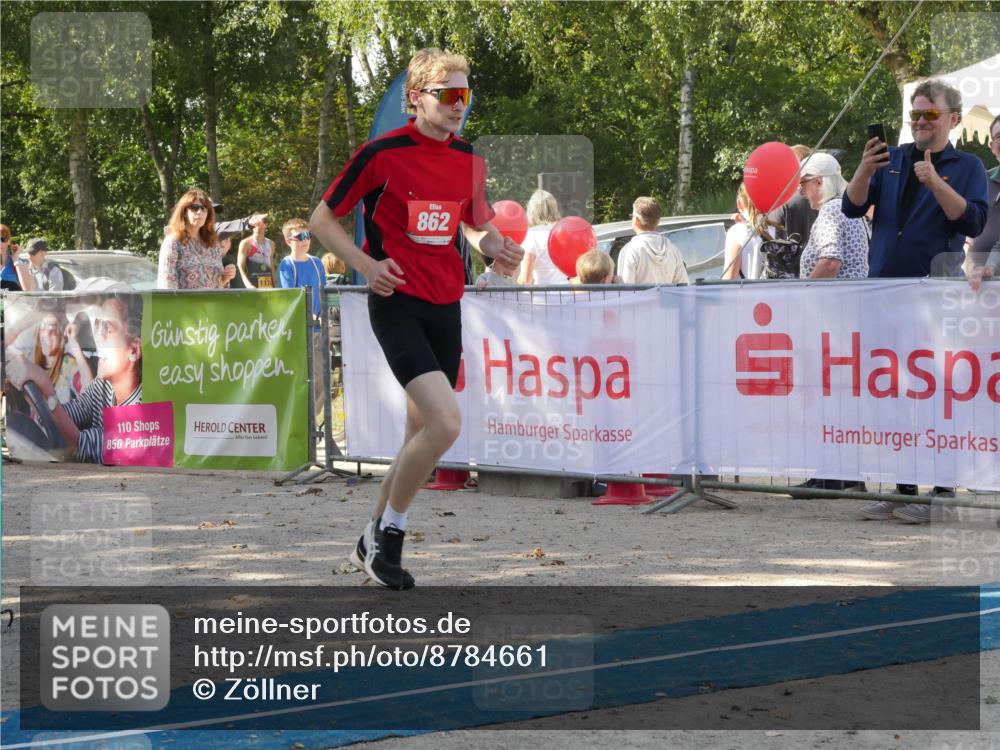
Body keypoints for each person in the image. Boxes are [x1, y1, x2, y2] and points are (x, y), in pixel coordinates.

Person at [310, 47, 524, 590]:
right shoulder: (381, 153)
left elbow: (474, 226)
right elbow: (322, 219)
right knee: (445, 425)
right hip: (397, 302)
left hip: (446, 305)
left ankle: (368, 539)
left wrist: (496, 246)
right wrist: (365, 264)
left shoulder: (469, 159)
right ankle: (393, 539)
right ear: (416, 98)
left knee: (417, 434)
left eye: (465, 94)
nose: (458, 105)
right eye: (447, 94)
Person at [843, 79, 989, 522]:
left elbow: (974, 221)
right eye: (915, 114)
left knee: (935, 395)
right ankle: (902, 490)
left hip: (933, 294)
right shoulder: (892, 158)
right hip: (884, 291)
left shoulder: (968, 166)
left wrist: (935, 183)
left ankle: (940, 493)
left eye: (929, 114)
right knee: (891, 395)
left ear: (952, 120)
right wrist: (864, 170)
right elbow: (851, 208)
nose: (920, 121)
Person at [5, 295, 142, 464]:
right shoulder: (103, 385)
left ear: (134, 350)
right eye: (97, 326)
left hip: (119, 486)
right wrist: (32, 385)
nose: (97, 338)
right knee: (17, 423)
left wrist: (44, 385)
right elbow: (65, 416)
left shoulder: (143, 408)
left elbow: (78, 446)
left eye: (108, 329)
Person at [277, 219, 328, 424]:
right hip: (298, 331)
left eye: (308, 236)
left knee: (321, 379)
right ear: (289, 241)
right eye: (300, 237)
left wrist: (324, 314)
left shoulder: (316, 263)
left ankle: (310, 422)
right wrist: (309, 316)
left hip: (318, 329)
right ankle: (297, 421)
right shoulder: (286, 265)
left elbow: (324, 293)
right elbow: (291, 299)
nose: (305, 240)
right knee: (298, 378)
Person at [797, 152, 869, 279]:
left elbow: (830, 263)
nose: (801, 192)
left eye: (802, 184)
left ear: (818, 181)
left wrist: (805, 292)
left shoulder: (831, 210)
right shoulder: (844, 207)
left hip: (835, 296)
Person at [157, 190, 237, 290]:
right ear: (184, 212)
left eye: (204, 208)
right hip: (185, 305)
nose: (200, 212)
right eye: (194, 208)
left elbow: (218, 286)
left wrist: (225, 278)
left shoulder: (213, 244)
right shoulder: (173, 242)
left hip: (214, 304)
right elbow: (167, 286)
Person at [615, 196, 688, 285]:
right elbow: (684, 287)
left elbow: (624, 290)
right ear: (657, 221)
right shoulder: (673, 250)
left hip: (640, 299)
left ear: (636, 220)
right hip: (666, 299)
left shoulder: (630, 250)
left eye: (632, 216)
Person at [969, 115, 1000, 291]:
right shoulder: (983, 180)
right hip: (978, 284)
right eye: (999, 137)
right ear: (992, 146)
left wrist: (991, 265)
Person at [769, 144, 819, 250]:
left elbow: (770, 239)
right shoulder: (824, 196)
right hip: (820, 259)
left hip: (791, 263)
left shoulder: (783, 201)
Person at [722, 183, 775, 280]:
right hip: (778, 293)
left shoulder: (736, 233)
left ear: (739, 203)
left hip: (749, 294)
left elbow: (729, 279)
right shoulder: (777, 228)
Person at [517, 189, 565, 285]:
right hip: (569, 293)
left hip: (544, 296)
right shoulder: (566, 230)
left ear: (532, 210)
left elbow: (525, 279)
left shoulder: (531, 235)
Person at [236, 217, 275, 288]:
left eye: (259, 224)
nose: (256, 227)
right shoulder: (246, 243)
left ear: (265, 225)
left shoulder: (271, 243)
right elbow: (240, 267)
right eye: (254, 224)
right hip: (252, 285)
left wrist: (275, 285)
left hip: (268, 286)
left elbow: (272, 266)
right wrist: (248, 285)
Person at [1, 225, 29, 291]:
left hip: (15, 300)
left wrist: (16, 259)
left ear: (8, 241)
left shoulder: (20, 262)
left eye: (3, 239)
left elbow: (28, 290)